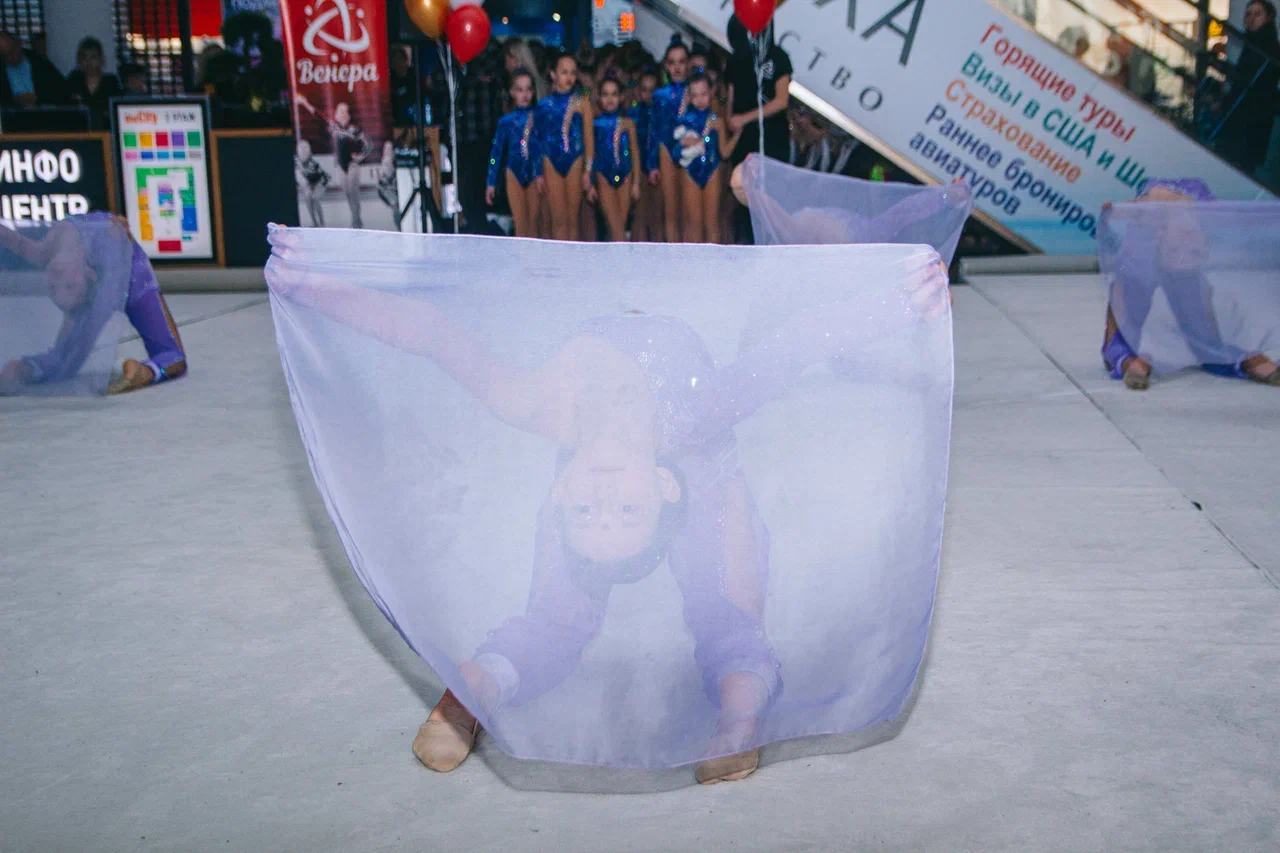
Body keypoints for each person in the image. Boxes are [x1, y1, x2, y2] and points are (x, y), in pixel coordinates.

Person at [265, 226, 951, 784]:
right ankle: (736, 713)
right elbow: (795, 346)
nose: (602, 500)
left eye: (585, 513)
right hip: (701, 458)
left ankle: (470, 695)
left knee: (595, 609)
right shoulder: (700, 417)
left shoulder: (537, 405)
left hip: (672, 460)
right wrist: (902, 301)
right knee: (712, 607)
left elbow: (429, 333)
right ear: (659, 488)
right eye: (625, 511)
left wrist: (315, 285)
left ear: (561, 490)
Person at [1100, 178, 1280, 389]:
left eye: (1193, 249)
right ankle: (1128, 360)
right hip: (1148, 244)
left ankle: (1244, 360)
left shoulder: (1198, 220)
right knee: (1128, 320)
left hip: (1174, 229)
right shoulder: (1145, 239)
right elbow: (1122, 212)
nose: (1184, 255)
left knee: (1204, 337)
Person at [0, 214, 186, 395]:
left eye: (53, 287)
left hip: (131, 276)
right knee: (65, 362)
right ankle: (146, 372)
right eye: (66, 285)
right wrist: (119, 229)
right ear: (88, 273)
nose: (57, 280)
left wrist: (118, 228)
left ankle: (30, 368)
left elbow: (17, 242)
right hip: (123, 280)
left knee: (173, 355)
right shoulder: (90, 274)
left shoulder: (43, 252)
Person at [673, 74, 740, 244]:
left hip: (712, 171)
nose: (700, 99)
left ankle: (713, 259)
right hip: (689, 171)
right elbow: (675, 152)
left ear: (711, 92)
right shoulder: (683, 120)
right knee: (694, 224)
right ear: (689, 97)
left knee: (712, 224)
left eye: (703, 94)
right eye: (695, 95)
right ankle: (696, 260)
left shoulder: (717, 121)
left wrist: (738, 135)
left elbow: (724, 153)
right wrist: (683, 144)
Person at [535, 53, 595, 241]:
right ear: (553, 74)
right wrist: (538, 173)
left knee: (572, 219)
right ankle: (558, 258)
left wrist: (588, 171)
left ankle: (573, 258)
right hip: (550, 160)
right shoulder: (543, 105)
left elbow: (589, 139)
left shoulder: (582, 103)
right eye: (564, 72)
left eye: (572, 73)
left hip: (575, 160)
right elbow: (538, 140)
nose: (569, 77)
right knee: (558, 219)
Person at [1218, 0, 1280, 177]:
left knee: (1240, 164)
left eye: (1257, 14)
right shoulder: (1255, 41)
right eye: (1248, 14)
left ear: (1269, 17)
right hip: (1250, 113)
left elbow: (1250, 79)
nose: (1251, 18)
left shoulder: (1264, 45)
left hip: (1251, 114)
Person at [296, 95, 373, 229]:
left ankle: (356, 222)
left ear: (348, 115)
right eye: (339, 111)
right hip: (340, 165)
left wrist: (361, 156)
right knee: (347, 193)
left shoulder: (354, 130)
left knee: (353, 192)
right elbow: (318, 114)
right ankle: (356, 218)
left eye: (343, 111)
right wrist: (305, 102)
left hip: (352, 165)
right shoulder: (333, 127)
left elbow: (368, 144)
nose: (341, 113)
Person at [486, 69, 543, 238]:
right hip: (513, 173)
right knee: (520, 224)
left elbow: (543, 149)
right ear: (511, 92)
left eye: (528, 89)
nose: (525, 94)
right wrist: (491, 182)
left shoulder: (539, 118)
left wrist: (540, 172)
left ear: (533, 91)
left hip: (535, 174)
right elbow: (496, 154)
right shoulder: (506, 122)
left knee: (534, 224)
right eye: (519, 90)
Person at [648, 41, 692, 243]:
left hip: (691, 149)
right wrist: (652, 165)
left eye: (681, 62)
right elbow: (654, 130)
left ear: (688, 64)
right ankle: (674, 254)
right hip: (666, 149)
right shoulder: (659, 95)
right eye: (672, 62)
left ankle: (691, 254)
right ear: (666, 65)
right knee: (671, 208)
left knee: (689, 209)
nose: (677, 67)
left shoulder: (695, 91)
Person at [592, 77, 642, 242]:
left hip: (625, 176)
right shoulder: (595, 124)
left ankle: (619, 257)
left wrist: (636, 183)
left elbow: (634, 153)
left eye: (614, 94)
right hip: (603, 176)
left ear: (621, 97)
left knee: (620, 224)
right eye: (605, 94)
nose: (610, 99)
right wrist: (591, 184)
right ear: (599, 98)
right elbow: (592, 154)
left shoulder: (628, 124)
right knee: (615, 227)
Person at [628, 68, 663, 242]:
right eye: (644, 90)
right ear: (637, 91)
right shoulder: (632, 115)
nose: (648, 95)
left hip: (659, 168)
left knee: (657, 216)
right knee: (639, 216)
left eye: (652, 90)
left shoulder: (663, 113)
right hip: (638, 168)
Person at [0, 29, 67, 107]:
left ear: (19, 44)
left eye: (12, 52)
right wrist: (15, 101)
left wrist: (38, 99)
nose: (10, 58)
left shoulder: (40, 63)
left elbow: (62, 92)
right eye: (4, 56)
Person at [65, 38, 120, 130]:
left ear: (101, 59)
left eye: (93, 57)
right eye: (84, 58)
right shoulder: (74, 80)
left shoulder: (111, 82)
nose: (89, 62)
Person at [295, 139, 331, 228]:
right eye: (301, 148)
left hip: (321, 181)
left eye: (306, 147)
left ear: (309, 150)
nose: (303, 150)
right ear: (297, 150)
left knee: (315, 198)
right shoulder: (296, 163)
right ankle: (314, 222)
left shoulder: (313, 163)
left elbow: (322, 177)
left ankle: (322, 223)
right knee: (308, 198)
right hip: (309, 184)